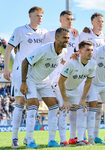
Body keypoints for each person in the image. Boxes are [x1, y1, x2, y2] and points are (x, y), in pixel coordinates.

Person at [3, 6, 47, 148]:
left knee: (33, 104)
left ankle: (29, 138)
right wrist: (6, 68)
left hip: (36, 73)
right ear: (30, 16)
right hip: (19, 71)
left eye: (41, 16)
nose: (39, 18)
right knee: (20, 102)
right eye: (37, 15)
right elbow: (9, 49)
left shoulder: (43, 33)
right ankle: (14, 138)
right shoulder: (20, 30)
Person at [20, 28, 69, 148]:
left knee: (53, 106)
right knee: (33, 105)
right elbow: (25, 62)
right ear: (56, 38)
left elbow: (59, 58)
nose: (67, 40)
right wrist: (23, 82)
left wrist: (71, 59)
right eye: (64, 38)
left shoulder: (64, 51)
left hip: (44, 81)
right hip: (31, 80)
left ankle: (51, 140)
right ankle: (29, 140)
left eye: (68, 38)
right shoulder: (44, 49)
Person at [42, 10, 79, 146]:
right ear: (60, 20)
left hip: (68, 76)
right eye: (67, 19)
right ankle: (54, 139)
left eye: (71, 19)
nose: (70, 21)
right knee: (54, 107)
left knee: (65, 107)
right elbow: (42, 49)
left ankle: (66, 138)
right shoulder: (49, 34)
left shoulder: (75, 35)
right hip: (51, 75)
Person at [58, 40, 96, 146]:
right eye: (87, 50)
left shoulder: (93, 64)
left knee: (83, 109)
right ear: (80, 51)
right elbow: (60, 82)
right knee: (64, 110)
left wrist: (83, 99)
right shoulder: (71, 62)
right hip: (60, 87)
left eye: (92, 50)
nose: (90, 52)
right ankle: (63, 141)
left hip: (73, 89)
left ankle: (79, 139)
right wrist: (65, 100)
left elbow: (88, 81)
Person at [78, 12, 105, 144]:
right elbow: (76, 49)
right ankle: (83, 136)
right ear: (92, 23)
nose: (101, 23)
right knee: (86, 107)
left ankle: (95, 135)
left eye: (102, 21)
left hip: (101, 77)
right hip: (86, 76)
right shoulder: (83, 35)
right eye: (98, 21)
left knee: (98, 108)